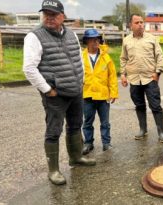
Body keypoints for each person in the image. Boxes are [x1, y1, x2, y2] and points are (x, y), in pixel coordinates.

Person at [23, 0, 96, 186]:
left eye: (53, 14)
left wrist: (81, 81)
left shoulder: (70, 34)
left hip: (75, 90)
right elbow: (29, 68)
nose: (49, 17)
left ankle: (76, 158)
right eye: (46, 14)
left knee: (75, 125)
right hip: (56, 94)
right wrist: (48, 90)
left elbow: (78, 58)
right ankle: (53, 170)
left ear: (62, 16)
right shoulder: (34, 37)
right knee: (53, 131)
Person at [120, 14, 163, 143]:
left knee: (156, 105)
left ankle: (161, 132)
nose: (140, 24)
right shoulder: (126, 40)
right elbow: (123, 58)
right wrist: (123, 75)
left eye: (142, 22)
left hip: (150, 78)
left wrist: (157, 73)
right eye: (137, 22)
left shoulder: (152, 38)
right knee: (139, 105)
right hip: (134, 79)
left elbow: (160, 56)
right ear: (131, 25)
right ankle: (143, 129)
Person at [81, 29, 118, 155]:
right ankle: (88, 143)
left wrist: (113, 93)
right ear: (86, 41)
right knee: (87, 122)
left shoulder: (105, 57)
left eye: (97, 39)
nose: (95, 42)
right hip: (87, 95)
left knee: (105, 122)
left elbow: (112, 76)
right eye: (92, 39)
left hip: (103, 96)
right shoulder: (81, 57)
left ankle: (106, 143)